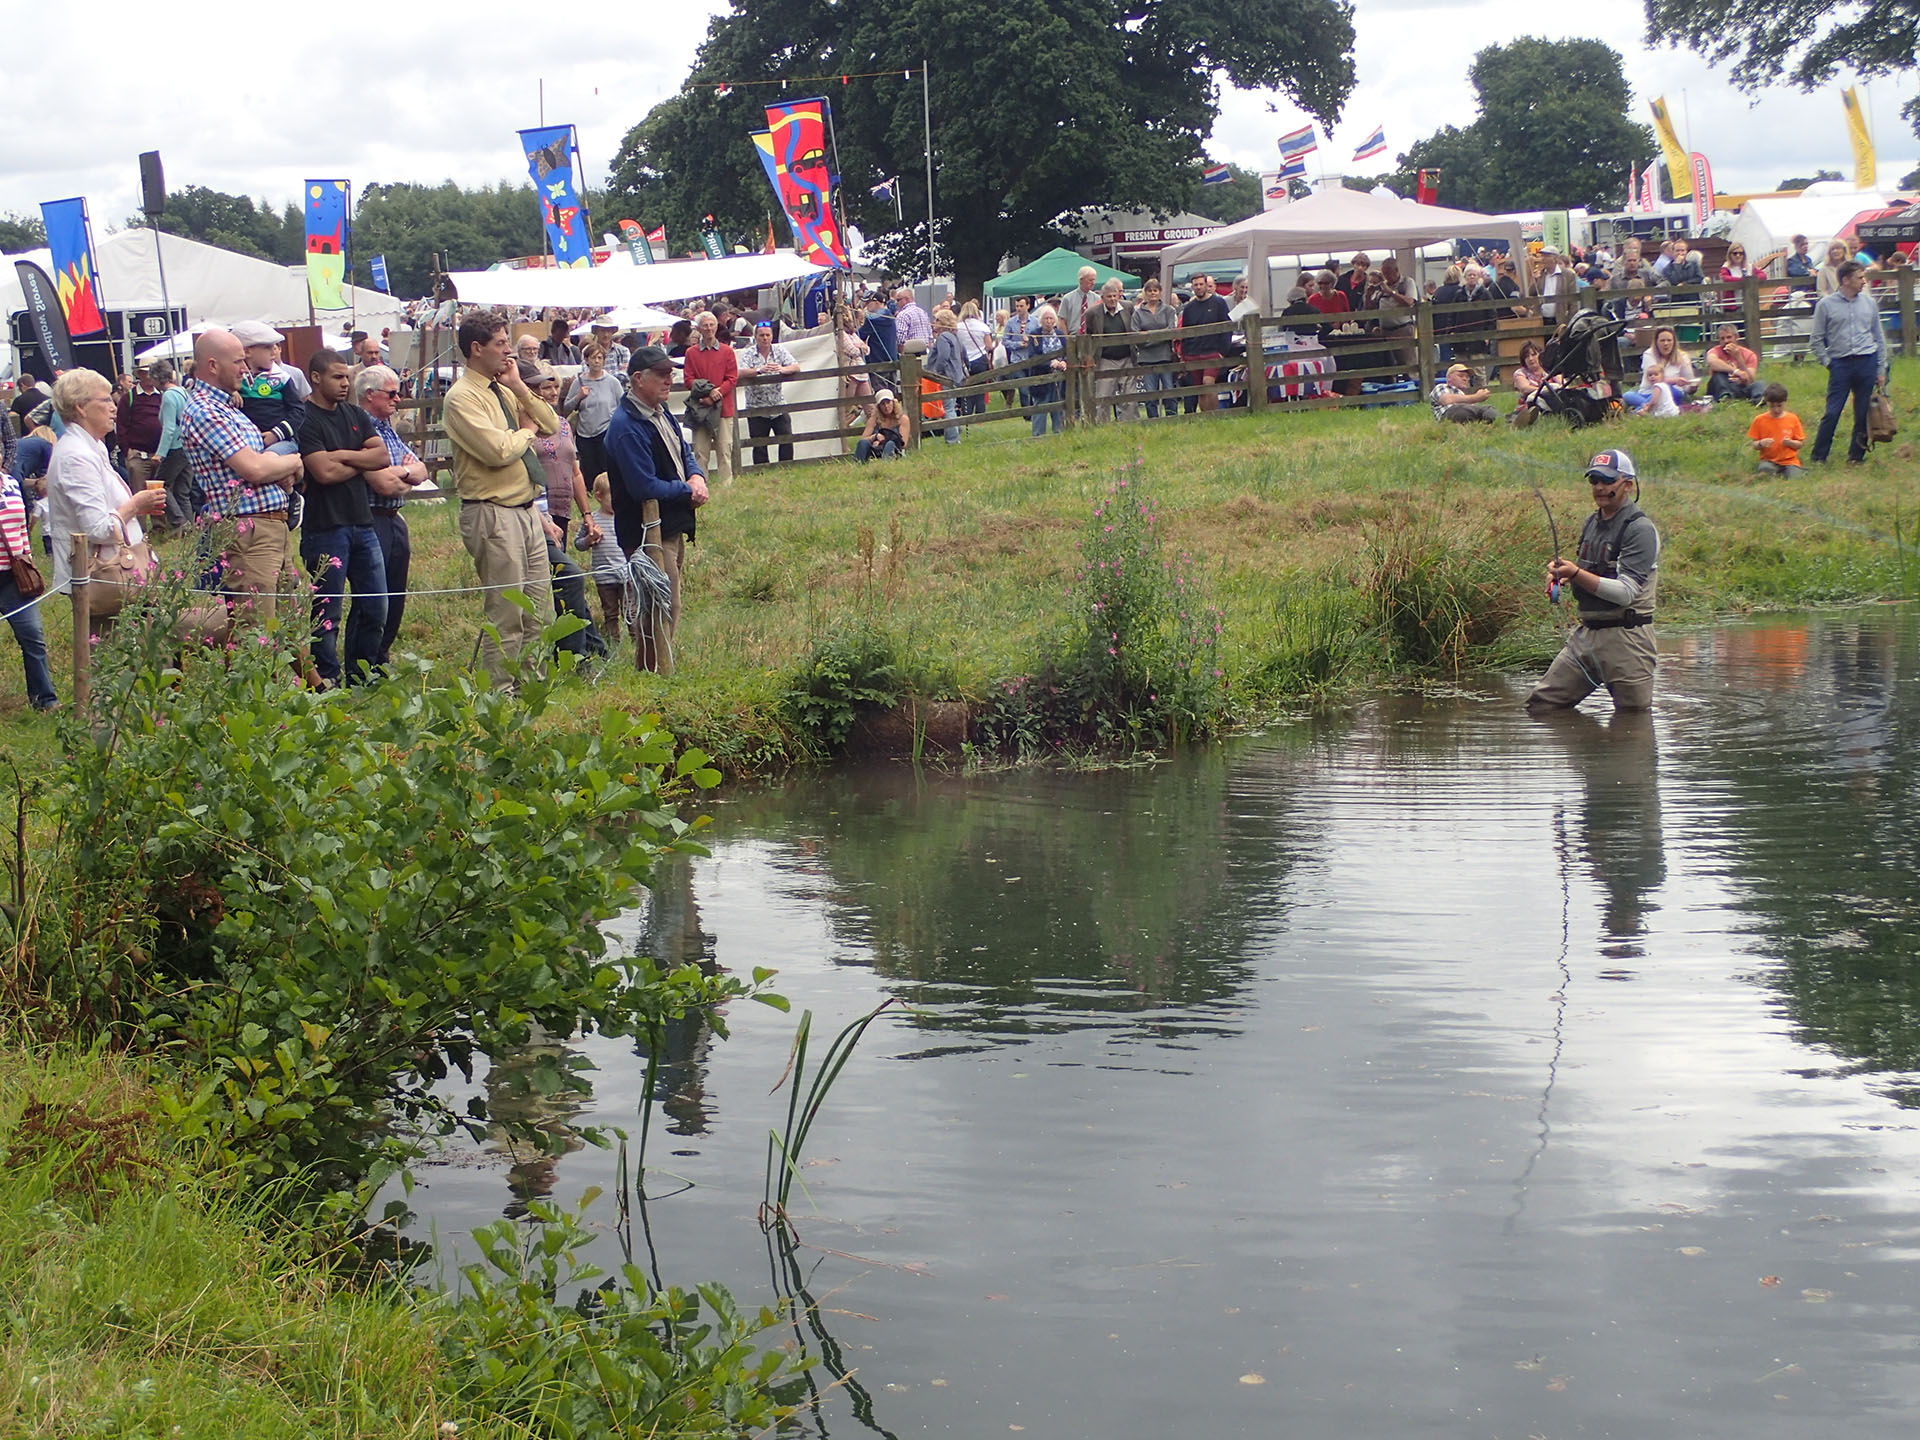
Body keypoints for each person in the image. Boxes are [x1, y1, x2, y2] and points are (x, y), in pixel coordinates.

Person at [442, 310, 560, 683]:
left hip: (526, 509)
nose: (509, 352)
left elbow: (552, 424)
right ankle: (500, 698)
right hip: (492, 513)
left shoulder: (505, 388)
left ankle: (534, 689)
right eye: (501, 344)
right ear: (476, 349)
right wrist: (526, 431)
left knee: (540, 611)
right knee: (507, 614)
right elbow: (498, 451)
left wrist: (521, 389)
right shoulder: (462, 398)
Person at [180, 329, 306, 628]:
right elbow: (255, 469)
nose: (245, 369)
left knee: (285, 624)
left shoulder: (227, 407)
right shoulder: (205, 411)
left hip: (268, 526)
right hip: (249, 530)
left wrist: (276, 467)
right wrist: (294, 461)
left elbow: (260, 462)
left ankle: (310, 678)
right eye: (238, 361)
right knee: (258, 629)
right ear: (213, 365)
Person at [1526, 448, 1659, 713]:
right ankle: (1585, 752)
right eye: (1593, 480)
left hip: (1627, 640)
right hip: (1586, 636)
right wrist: (1563, 576)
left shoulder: (1640, 530)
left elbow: (1626, 593)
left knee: (1633, 720)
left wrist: (1576, 573)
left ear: (1628, 485)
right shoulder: (1591, 523)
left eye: (1607, 480)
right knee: (1542, 706)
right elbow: (1591, 573)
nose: (1599, 487)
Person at [603, 346, 710, 672]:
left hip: (670, 524)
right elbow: (643, 487)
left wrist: (696, 474)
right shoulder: (626, 425)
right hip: (646, 530)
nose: (669, 379)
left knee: (664, 602)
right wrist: (686, 489)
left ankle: (651, 670)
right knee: (662, 604)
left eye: (670, 373)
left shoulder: (659, 412)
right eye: (661, 375)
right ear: (638, 379)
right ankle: (657, 674)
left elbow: (683, 452)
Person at [46, 368, 167, 638]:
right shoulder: (75, 455)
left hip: (119, 574)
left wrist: (138, 507)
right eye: (105, 401)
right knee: (120, 663)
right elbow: (98, 528)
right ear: (80, 407)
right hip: (105, 579)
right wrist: (135, 505)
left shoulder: (93, 446)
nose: (114, 406)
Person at [296, 349, 390, 686]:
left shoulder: (354, 413)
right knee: (326, 611)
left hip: (362, 524)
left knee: (376, 606)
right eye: (337, 377)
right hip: (325, 528)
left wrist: (340, 455)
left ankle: (362, 674)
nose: (345, 383)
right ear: (316, 377)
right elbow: (322, 472)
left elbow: (381, 456)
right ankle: (327, 678)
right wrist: (356, 460)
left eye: (347, 377)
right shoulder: (304, 419)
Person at [353, 364, 429, 670]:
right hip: (372, 518)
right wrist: (407, 474)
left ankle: (380, 658)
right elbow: (382, 484)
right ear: (370, 395)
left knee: (396, 594)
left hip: (395, 516)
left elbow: (421, 470)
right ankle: (362, 666)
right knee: (374, 599)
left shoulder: (388, 428)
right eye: (392, 393)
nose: (398, 399)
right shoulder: (359, 428)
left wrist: (404, 474)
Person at [1808, 260, 1889, 465]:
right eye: (1860, 277)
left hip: (1866, 362)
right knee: (1832, 412)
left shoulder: (1869, 303)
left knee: (1862, 412)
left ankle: (1856, 456)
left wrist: (1880, 368)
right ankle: (1819, 456)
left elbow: (1878, 337)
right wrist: (1828, 363)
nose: (1864, 281)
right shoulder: (1825, 305)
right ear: (1845, 280)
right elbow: (1816, 339)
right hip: (1840, 364)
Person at [0, 462, 54, 711]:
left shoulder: (10, 482)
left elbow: (21, 523)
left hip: (13, 576)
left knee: (33, 637)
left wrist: (27, 555)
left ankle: (45, 700)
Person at [231, 321, 307, 455]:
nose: (274, 352)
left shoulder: (282, 378)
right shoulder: (234, 380)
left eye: (275, 346)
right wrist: (230, 392)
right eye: (267, 347)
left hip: (281, 442)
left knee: (268, 459)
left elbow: (299, 410)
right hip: (247, 444)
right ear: (247, 351)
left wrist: (277, 434)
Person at [681, 311, 738, 485]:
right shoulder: (691, 353)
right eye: (705, 325)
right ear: (698, 329)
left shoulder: (728, 352)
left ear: (716, 327)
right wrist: (708, 392)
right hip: (700, 408)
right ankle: (700, 484)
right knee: (700, 451)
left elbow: (732, 378)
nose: (709, 328)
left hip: (724, 409)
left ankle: (726, 485)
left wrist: (717, 393)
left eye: (711, 324)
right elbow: (688, 380)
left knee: (724, 449)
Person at [563, 344, 623, 495]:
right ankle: (590, 493)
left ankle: (608, 492)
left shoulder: (612, 382)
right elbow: (567, 407)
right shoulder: (579, 382)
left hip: (606, 429)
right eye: (593, 358)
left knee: (606, 465)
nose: (596, 361)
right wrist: (579, 396)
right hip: (585, 431)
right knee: (588, 466)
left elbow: (623, 405)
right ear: (587, 360)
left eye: (600, 358)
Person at [1179, 272, 1232, 414]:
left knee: (1208, 383)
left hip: (1212, 352)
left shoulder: (1219, 303)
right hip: (1193, 353)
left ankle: (1214, 414)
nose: (1198, 287)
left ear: (1206, 285)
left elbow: (1227, 327)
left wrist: (1222, 351)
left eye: (1201, 284)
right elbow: (1185, 332)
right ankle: (1205, 417)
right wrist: (1184, 354)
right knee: (1201, 390)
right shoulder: (1189, 308)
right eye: (1195, 285)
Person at [150, 361, 194, 530]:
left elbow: (169, 428)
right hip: (188, 446)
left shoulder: (168, 396)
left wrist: (160, 453)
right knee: (182, 491)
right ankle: (190, 527)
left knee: (160, 485)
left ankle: (179, 523)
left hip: (175, 447)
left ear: (156, 378)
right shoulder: (182, 392)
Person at [1084, 278, 1134, 423]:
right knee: (1103, 396)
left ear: (1119, 296)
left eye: (1114, 296)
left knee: (1129, 397)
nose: (1112, 299)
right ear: (1102, 298)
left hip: (1126, 358)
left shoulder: (1128, 307)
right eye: (1109, 296)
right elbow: (1089, 335)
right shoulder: (1092, 313)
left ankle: (1130, 424)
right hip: (1105, 359)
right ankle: (1103, 426)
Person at [585, 473, 627, 639]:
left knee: (630, 611)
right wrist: (590, 538)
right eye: (613, 496)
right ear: (599, 497)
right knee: (610, 612)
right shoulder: (592, 520)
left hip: (625, 575)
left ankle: (635, 639)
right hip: (604, 577)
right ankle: (613, 640)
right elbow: (578, 544)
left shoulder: (624, 517)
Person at [1130, 277, 1178, 419]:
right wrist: (1158, 336)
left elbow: (1171, 331)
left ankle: (1172, 418)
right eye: (1149, 291)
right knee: (1150, 393)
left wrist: (1149, 336)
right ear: (1145, 293)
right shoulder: (1138, 312)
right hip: (1146, 358)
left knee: (1169, 389)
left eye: (1155, 290)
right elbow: (1135, 335)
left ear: (1160, 292)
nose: (1152, 293)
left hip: (1165, 356)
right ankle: (1153, 420)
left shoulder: (1168, 310)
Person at [113, 366, 164, 490]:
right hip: (138, 457)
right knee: (140, 496)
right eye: (148, 373)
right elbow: (121, 425)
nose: (152, 377)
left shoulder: (162, 396)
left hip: (160, 455)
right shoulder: (129, 398)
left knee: (161, 497)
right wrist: (127, 451)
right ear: (140, 374)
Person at [1627, 327, 1696, 414]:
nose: (1666, 344)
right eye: (1662, 341)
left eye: (1669, 340)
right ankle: (1652, 407)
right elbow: (1653, 380)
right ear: (1656, 342)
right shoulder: (1649, 354)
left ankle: (1639, 412)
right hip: (1648, 392)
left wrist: (1692, 387)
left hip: (1672, 392)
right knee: (1627, 395)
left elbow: (1688, 384)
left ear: (1674, 342)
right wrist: (1675, 380)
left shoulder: (1682, 356)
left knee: (1667, 388)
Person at [925, 309, 969, 444]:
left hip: (947, 376)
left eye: (937, 319)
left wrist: (938, 372)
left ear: (944, 321)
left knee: (949, 408)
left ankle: (952, 439)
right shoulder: (955, 337)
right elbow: (965, 354)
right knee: (952, 407)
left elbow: (943, 357)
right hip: (956, 376)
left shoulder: (943, 337)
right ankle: (955, 434)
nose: (934, 322)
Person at [1748, 382, 1805, 476]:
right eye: (1772, 406)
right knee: (1765, 470)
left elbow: (1800, 444)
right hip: (1768, 460)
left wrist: (1790, 443)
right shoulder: (1759, 420)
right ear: (1767, 403)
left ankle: (1792, 472)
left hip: (1789, 461)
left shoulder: (1793, 419)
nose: (1776, 410)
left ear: (1785, 402)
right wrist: (1761, 443)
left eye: (1779, 405)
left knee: (1795, 476)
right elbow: (1754, 445)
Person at [1028, 306, 1068, 437]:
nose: (1049, 321)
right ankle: (1038, 435)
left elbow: (1067, 352)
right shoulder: (1035, 335)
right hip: (1041, 376)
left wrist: (1064, 362)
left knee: (1058, 405)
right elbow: (1033, 356)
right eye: (1046, 318)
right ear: (1041, 320)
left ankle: (1059, 433)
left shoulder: (1061, 335)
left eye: (1051, 318)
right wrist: (1050, 363)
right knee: (1041, 405)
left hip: (1059, 377)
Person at [1373, 256, 1418, 372]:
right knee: (1390, 365)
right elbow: (1370, 307)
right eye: (1384, 274)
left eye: (1388, 273)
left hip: (1402, 330)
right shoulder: (1381, 286)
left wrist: (1391, 292)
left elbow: (1410, 302)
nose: (1386, 277)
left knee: (1408, 364)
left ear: (1396, 271)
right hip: (1385, 331)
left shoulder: (1407, 282)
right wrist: (1368, 295)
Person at [1704, 323, 1765, 402]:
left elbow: (1750, 380)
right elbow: (1712, 362)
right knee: (1718, 375)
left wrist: (1738, 358)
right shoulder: (1715, 351)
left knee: (1759, 384)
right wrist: (1736, 371)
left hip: (1740, 386)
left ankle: (1758, 400)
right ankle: (1726, 398)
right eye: (1722, 338)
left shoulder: (1749, 354)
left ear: (1736, 337)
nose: (1726, 341)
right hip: (1721, 386)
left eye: (1729, 337)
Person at [1429, 363, 1498, 423]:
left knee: (1487, 409)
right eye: (1460, 376)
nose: (1465, 379)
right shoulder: (1441, 387)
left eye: (1467, 377)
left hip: (1466, 413)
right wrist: (1476, 397)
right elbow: (1446, 400)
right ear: (1449, 378)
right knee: (1480, 410)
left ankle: (1503, 420)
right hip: (1449, 414)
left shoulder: (1465, 395)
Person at [855, 390, 906, 461]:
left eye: (888, 402)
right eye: (883, 404)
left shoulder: (902, 419)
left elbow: (903, 442)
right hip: (877, 448)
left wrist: (882, 441)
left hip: (894, 449)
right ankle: (859, 464)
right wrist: (875, 436)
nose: (886, 406)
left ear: (893, 403)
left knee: (890, 444)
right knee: (863, 443)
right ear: (879, 407)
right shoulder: (874, 419)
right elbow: (863, 439)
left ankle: (886, 464)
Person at [859, 294, 899, 368]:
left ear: (876, 302)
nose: (866, 306)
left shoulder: (875, 319)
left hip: (879, 361)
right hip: (891, 359)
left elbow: (860, 335)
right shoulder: (888, 314)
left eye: (868, 303)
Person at [1058, 267, 1100, 337]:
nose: (1093, 283)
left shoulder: (1097, 298)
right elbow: (1062, 320)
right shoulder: (1068, 299)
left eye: (1094, 280)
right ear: (1081, 280)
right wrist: (1066, 339)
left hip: (1092, 338)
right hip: (1073, 337)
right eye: (1090, 280)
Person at [893, 286, 932, 354]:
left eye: (898, 300)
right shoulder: (923, 312)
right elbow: (929, 333)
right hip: (925, 351)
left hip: (910, 353)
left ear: (907, 299)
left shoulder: (903, 315)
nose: (896, 303)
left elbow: (900, 338)